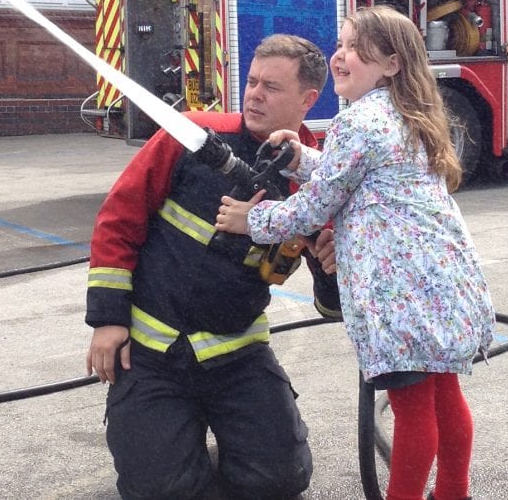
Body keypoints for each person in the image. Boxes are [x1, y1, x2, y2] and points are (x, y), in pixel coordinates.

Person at [215, 6, 496, 500]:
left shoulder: (359, 122)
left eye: (353, 48)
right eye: (340, 45)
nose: (339, 57)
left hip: (400, 294)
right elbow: (359, 175)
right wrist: (303, 157)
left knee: (411, 410)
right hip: (444, 284)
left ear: (390, 63)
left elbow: (314, 207)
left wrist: (250, 220)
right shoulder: (406, 114)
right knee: (444, 396)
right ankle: (454, 493)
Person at [84, 34, 338, 500]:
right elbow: (119, 218)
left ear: (308, 100)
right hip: (151, 356)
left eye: (272, 87)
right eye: (253, 81)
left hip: (238, 357)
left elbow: (332, 306)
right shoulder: (194, 135)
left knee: (280, 481)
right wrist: (108, 319)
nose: (255, 94)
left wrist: (332, 267)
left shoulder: (321, 181)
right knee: (162, 491)